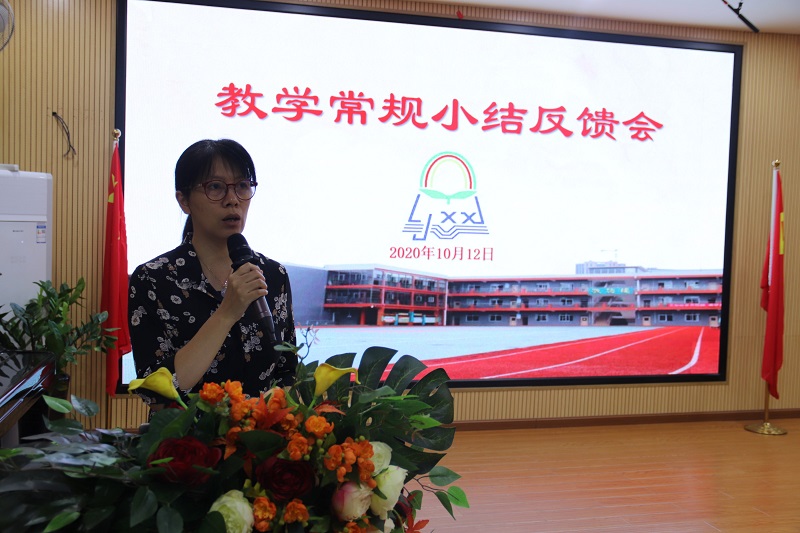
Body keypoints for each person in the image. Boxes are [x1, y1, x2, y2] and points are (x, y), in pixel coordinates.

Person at [129, 139, 296, 409]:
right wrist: (227, 312)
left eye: (243, 186)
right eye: (215, 187)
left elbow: (287, 372)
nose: (233, 200)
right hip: (186, 434)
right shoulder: (153, 280)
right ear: (184, 201)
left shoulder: (273, 275)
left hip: (261, 433)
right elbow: (157, 392)